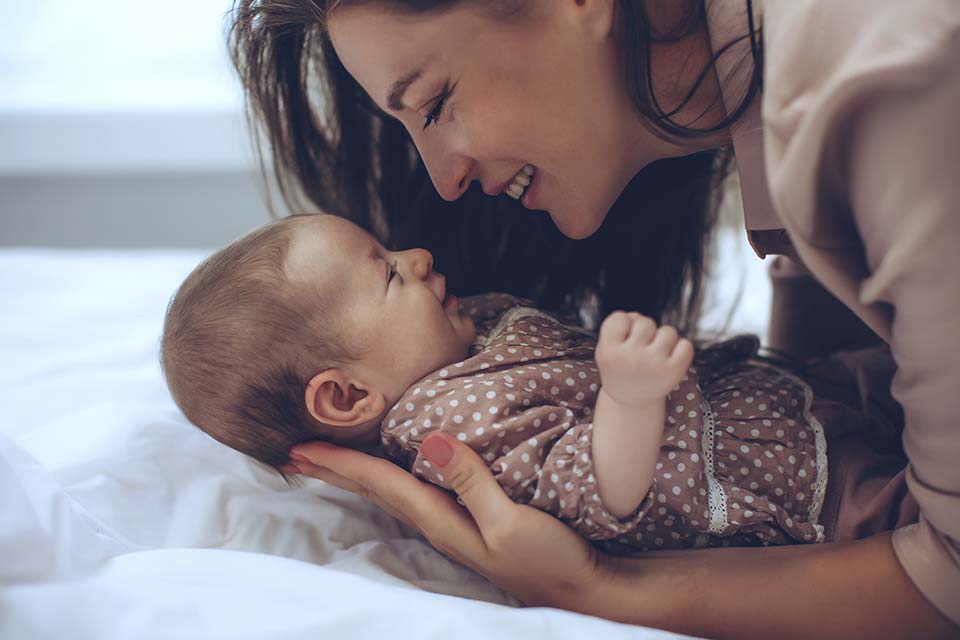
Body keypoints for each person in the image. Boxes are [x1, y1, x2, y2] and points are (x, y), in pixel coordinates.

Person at [227, 0, 960, 636]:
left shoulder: (880, 88)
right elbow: (860, 383)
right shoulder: (791, 101)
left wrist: (593, 588)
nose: (444, 183)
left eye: (436, 102)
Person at [162, 213, 895, 554]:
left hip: (782, 400)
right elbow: (593, 492)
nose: (416, 255)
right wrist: (629, 399)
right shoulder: (453, 430)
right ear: (347, 397)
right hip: (799, 491)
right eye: (387, 271)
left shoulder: (450, 344)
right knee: (908, 508)